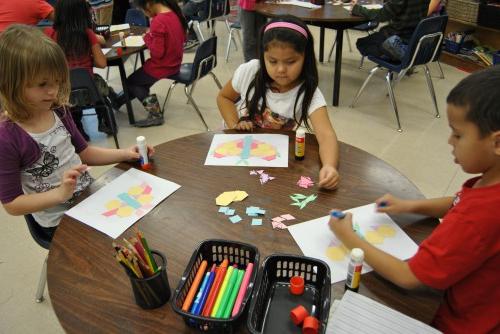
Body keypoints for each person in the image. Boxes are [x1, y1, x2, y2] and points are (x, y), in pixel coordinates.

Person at [329, 66, 500, 333]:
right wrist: (410, 205)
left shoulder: (479, 216)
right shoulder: (491, 179)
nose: (449, 141)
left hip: (459, 322)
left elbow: (409, 276)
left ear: (497, 143)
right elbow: (458, 200)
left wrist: (349, 237)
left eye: (458, 134)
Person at [0, 25, 154, 241]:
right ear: (10, 85)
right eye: (42, 84)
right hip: (58, 221)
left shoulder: (58, 110)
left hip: (88, 199)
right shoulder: (7, 137)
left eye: (57, 82)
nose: (53, 91)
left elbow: (84, 152)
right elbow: (12, 204)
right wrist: (60, 194)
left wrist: (126, 153)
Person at [217, 16, 340, 189]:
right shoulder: (250, 71)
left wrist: (329, 166)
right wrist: (234, 125)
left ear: (305, 58)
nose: (281, 69)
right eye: (272, 61)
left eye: (290, 62)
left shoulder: (308, 92)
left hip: (271, 158)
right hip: (238, 151)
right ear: (263, 56)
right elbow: (224, 98)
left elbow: (326, 135)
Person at [44, 0, 116, 140]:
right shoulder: (87, 33)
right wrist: (88, 59)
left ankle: (77, 128)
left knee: (71, 101)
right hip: (89, 87)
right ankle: (105, 122)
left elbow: (48, 65)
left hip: (64, 90)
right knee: (101, 90)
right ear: (82, 13)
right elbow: (102, 63)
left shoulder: (50, 34)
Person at [113, 0, 187, 127]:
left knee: (131, 82)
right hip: (175, 62)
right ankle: (116, 102)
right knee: (139, 82)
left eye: (143, 11)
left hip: (162, 66)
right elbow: (183, 38)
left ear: (148, 5)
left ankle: (155, 114)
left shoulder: (158, 21)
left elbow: (157, 53)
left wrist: (147, 38)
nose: (145, 15)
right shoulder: (175, 13)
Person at [350, 0, 430, 60]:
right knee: (378, 36)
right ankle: (402, 54)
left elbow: (382, 16)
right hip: (414, 38)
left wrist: (357, 9)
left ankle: (397, 56)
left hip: (398, 35)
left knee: (361, 43)